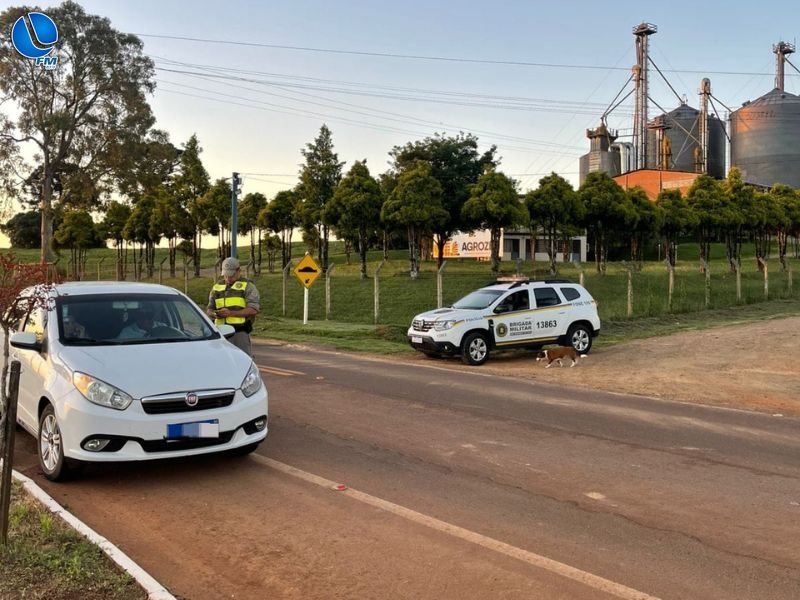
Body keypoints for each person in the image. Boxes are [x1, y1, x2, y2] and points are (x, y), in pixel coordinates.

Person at [207, 257, 260, 356]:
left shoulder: (248, 286)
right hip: (220, 332)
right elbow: (209, 309)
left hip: (240, 332)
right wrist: (214, 314)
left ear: (238, 271)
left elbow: (253, 309)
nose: (228, 278)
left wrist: (231, 313)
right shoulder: (216, 287)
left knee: (243, 359)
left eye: (231, 275)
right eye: (225, 275)